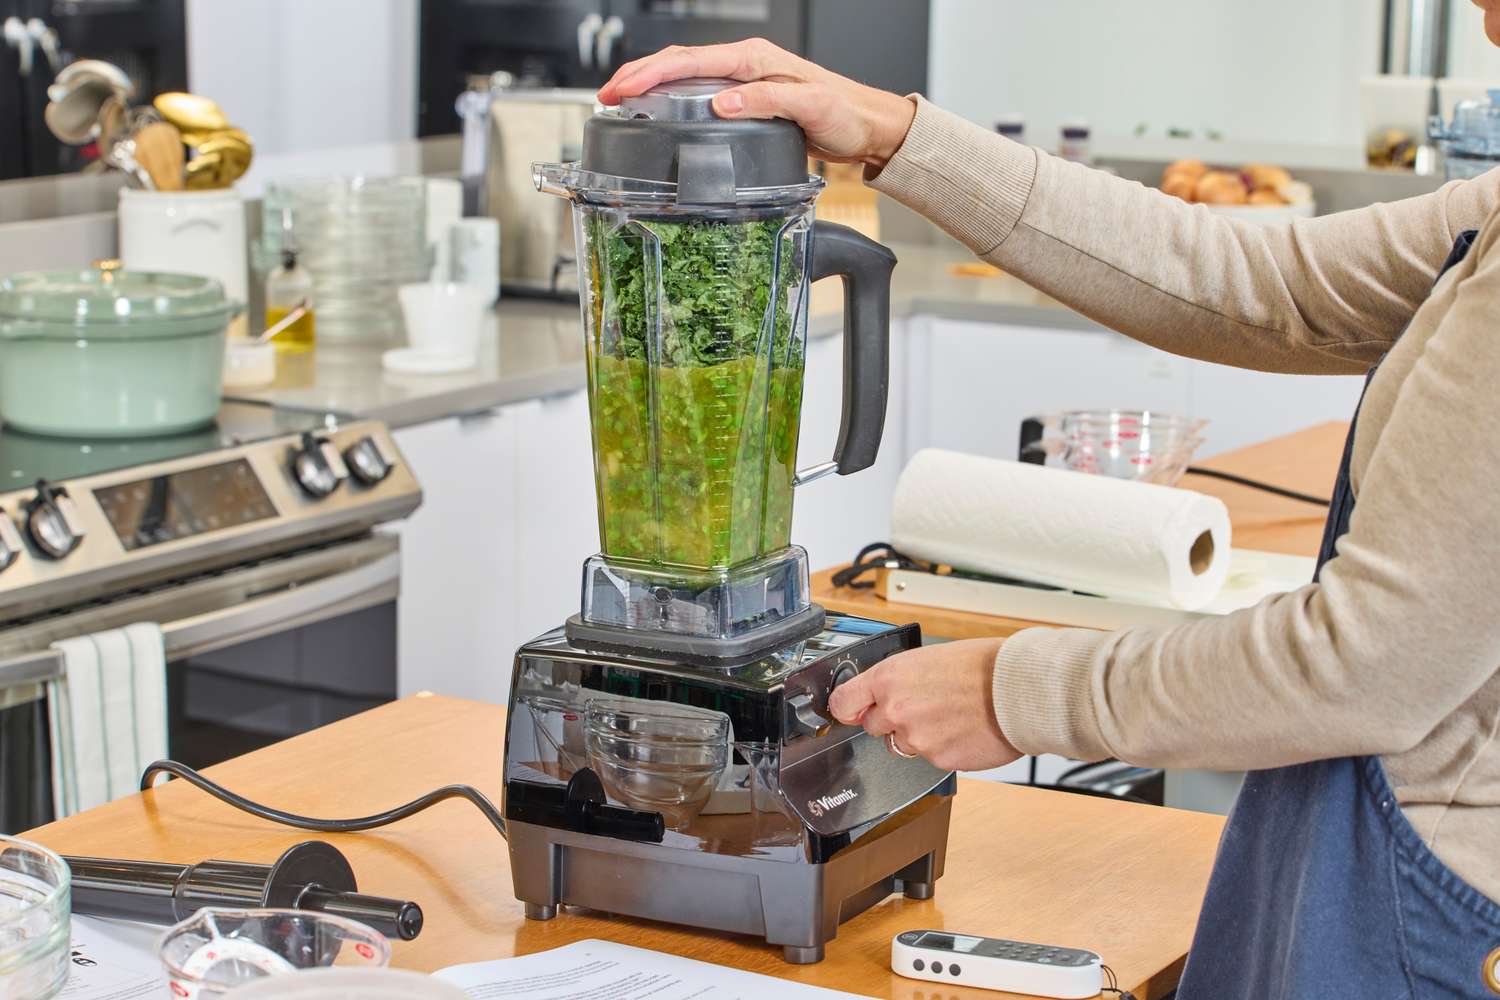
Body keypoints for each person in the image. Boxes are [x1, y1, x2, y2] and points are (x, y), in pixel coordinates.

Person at [599, 20, 1500, 1000]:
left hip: (1431, 911)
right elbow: (1261, 283)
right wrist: (893, 133)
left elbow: (1367, 663)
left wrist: (1012, 693)